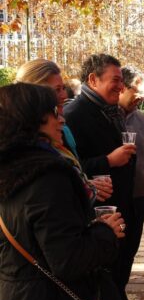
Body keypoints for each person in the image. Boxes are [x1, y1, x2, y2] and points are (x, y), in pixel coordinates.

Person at [0, 83, 125, 300]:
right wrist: (106, 231)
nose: (61, 119)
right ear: (35, 119)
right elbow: (68, 259)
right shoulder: (46, 176)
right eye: (54, 112)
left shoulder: (10, 167)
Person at [64, 54, 144, 300]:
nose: (121, 87)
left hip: (125, 201)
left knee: (123, 260)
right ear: (92, 79)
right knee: (106, 266)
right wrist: (108, 160)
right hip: (99, 208)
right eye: (115, 81)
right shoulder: (74, 114)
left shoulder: (111, 110)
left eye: (122, 81)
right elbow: (70, 167)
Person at [15, 59, 113, 204]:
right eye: (56, 90)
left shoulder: (63, 131)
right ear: (34, 94)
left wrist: (87, 184)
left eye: (63, 88)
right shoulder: (17, 142)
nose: (64, 96)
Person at [119, 66, 144, 270]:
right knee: (116, 254)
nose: (141, 98)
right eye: (138, 91)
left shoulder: (140, 118)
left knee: (130, 252)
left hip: (139, 198)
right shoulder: (108, 117)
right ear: (122, 88)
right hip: (117, 200)